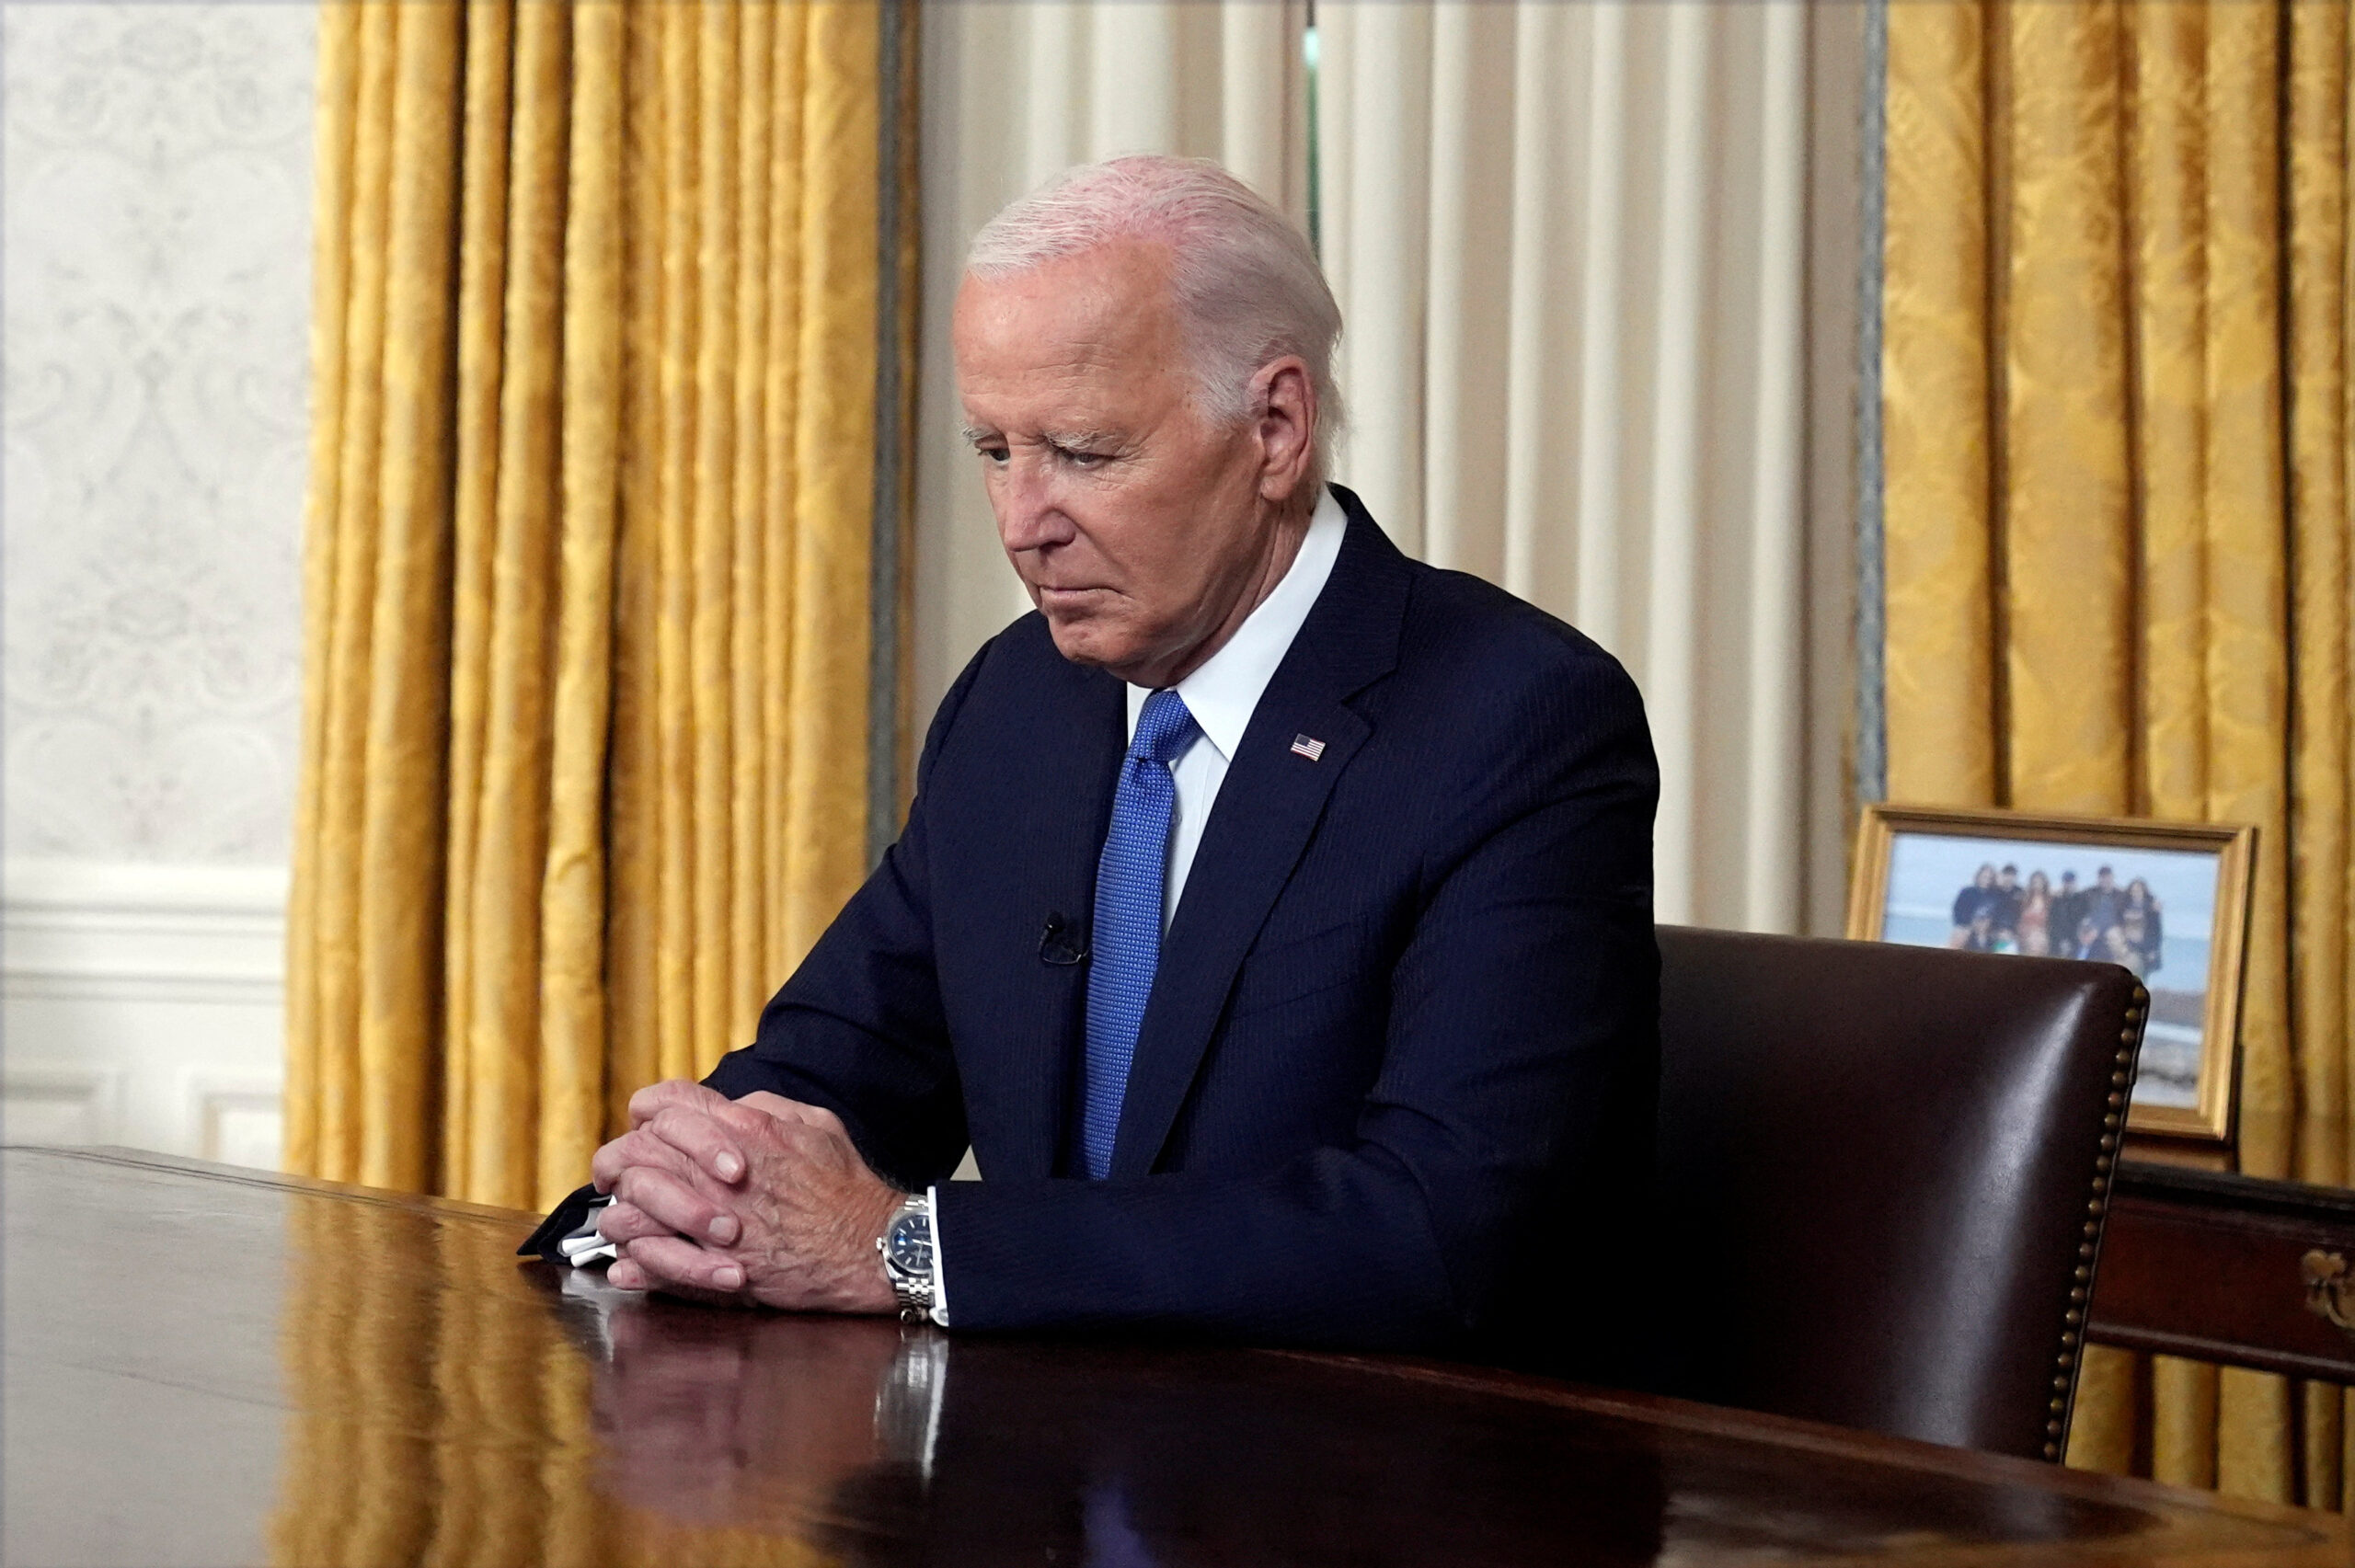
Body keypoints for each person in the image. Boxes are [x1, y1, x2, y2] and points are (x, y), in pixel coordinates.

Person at [534, 155, 1660, 1377]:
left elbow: (1434, 1233)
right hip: (1045, 1475)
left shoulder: (1518, 719)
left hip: (1371, 1487)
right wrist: (649, 1216)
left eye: (1081, 451)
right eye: (995, 449)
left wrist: (908, 1253)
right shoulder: (1022, 702)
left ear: (1274, 427)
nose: (1022, 519)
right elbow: (828, 1082)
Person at [1949, 864, 1997, 947]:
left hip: (1988, 928)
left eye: (1989, 878)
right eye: (1984, 877)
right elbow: (1957, 911)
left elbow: (1997, 913)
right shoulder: (1967, 892)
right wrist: (1968, 924)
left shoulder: (1995, 895)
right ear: (1978, 876)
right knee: (1960, 935)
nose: (1986, 880)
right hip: (1967, 925)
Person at [2016, 870, 2052, 956]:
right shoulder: (2024, 899)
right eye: (2035, 882)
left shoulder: (2049, 900)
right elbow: (2019, 918)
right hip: (2025, 936)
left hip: (2042, 937)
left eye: (2040, 882)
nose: (2037, 885)